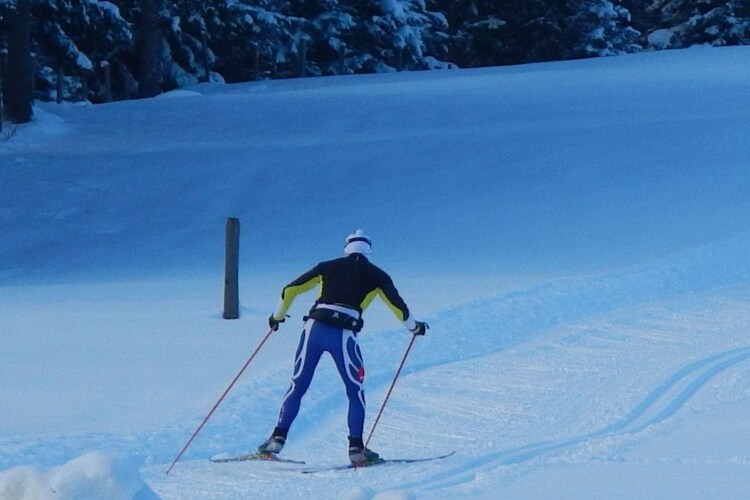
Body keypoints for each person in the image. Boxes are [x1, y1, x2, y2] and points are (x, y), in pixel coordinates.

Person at [257, 229, 428, 465]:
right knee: (354, 391)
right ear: (368, 251)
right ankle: (356, 449)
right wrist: (414, 328)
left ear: (347, 249)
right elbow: (399, 307)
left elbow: (290, 290)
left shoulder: (327, 266)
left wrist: (277, 317)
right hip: (344, 334)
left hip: (314, 329)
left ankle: (277, 438)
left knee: (298, 385)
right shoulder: (378, 276)